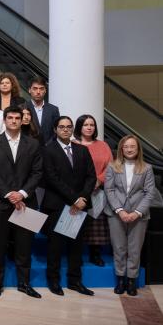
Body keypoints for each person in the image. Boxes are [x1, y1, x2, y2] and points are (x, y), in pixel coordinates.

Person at [0, 106, 43, 298]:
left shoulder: (33, 144)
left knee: (25, 246)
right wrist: (10, 194)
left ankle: (24, 283)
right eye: (10, 117)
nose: (14, 121)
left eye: (18, 118)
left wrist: (22, 193)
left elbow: (37, 172)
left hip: (27, 202)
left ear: (22, 120)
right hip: (0, 202)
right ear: (4, 120)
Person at [41, 116, 96, 297]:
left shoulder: (82, 150)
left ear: (73, 129)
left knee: (76, 247)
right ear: (55, 129)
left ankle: (75, 282)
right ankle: (54, 281)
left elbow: (91, 177)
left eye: (69, 127)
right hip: (58, 205)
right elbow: (52, 178)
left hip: (80, 206)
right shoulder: (48, 150)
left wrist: (83, 198)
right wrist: (74, 199)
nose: (65, 130)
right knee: (55, 247)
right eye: (62, 127)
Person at [105, 135, 157, 296]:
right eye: (126, 146)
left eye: (132, 146)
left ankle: (131, 280)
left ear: (138, 149)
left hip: (139, 216)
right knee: (119, 248)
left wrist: (136, 212)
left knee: (134, 250)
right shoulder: (112, 166)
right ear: (121, 148)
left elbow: (150, 193)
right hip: (116, 214)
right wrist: (119, 210)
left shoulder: (146, 168)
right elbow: (109, 190)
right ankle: (121, 280)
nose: (129, 149)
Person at [73, 114, 113, 266]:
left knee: (96, 225)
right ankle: (75, 256)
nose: (89, 127)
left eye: (92, 125)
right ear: (79, 127)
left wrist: (99, 180)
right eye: (85, 125)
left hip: (97, 190)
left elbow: (111, 166)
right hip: (78, 191)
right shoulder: (72, 144)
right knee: (75, 222)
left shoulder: (103, 145)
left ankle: (95, 254)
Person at [26, 77, 60, 144]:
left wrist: (49, 146)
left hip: (49, 149)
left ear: (45, 91)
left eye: (41, 89)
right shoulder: (22, 108)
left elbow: (57, 130)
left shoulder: (53, 109)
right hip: (28, 149)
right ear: (29, 90)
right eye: (35, 88)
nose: (38, 92)